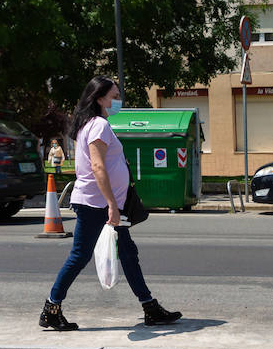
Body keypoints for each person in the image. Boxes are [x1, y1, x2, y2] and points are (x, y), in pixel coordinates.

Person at [39, 76, 181, 331]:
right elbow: (97, 166)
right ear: (99, 98)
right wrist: (112, 205)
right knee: (79, 257)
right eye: (114, 96)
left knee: (128, 254)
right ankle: (51, 307)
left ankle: (149, 306)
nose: (118, 100)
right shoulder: (98, 125)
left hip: (103, 202)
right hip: (98, 204)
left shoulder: (90, 125)